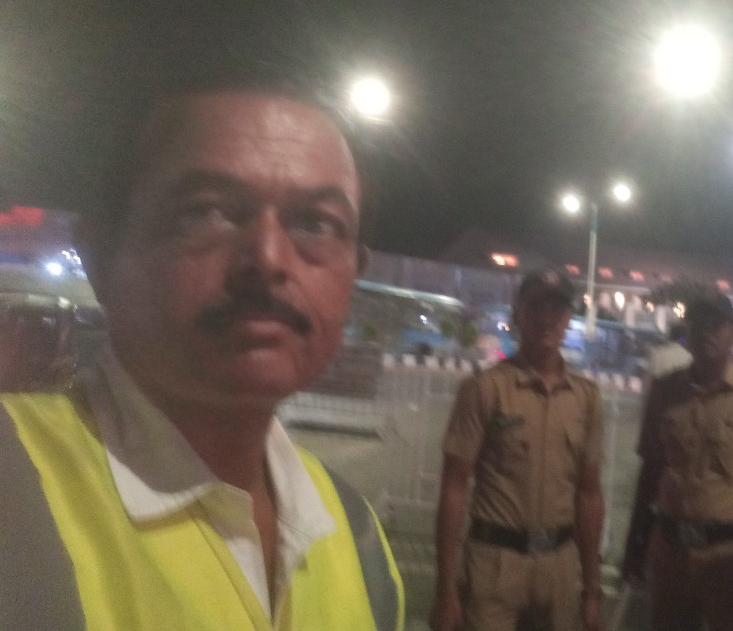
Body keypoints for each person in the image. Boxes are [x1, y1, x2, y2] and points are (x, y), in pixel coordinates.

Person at [0, 83, 404, 630]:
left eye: (315, 224)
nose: (267, 259)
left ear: (353, 273)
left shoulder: (357, 536)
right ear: (99, 255)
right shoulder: (14, 490)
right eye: (206, 213)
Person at [430, 268, 605, 631]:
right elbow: (454, 487)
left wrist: (591, 590)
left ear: (568, 318)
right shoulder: (485, 389)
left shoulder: (586, 398)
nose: (546, 317)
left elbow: (589, 495)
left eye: (556, 309)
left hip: (559, 568)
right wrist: (445, 589)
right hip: (495, 566)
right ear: (517, 313)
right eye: (536, 306)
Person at [621, 295, 733, 631]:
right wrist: (634, 542)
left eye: (716, 326)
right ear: (687, 333)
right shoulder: (666, 391)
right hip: (670, 551)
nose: (706, 333)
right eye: (697, 325)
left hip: (729, 557)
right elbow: (651, 471)